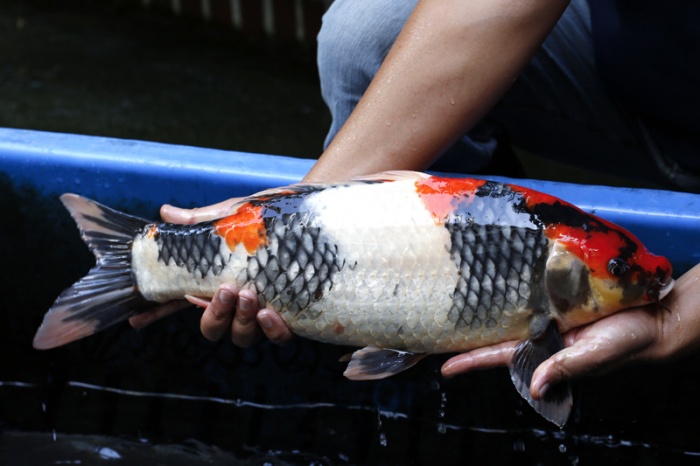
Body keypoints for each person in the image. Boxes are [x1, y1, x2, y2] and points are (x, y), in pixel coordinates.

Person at [130, 0, 700, 402]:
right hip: (642, 63)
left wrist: (679, 320)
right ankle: (448, 360)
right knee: (368, 32)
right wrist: (300, 208)